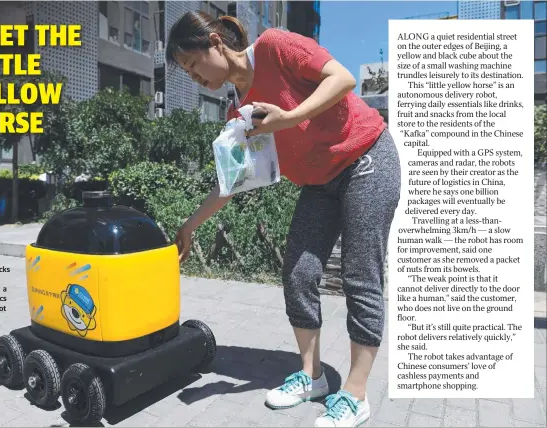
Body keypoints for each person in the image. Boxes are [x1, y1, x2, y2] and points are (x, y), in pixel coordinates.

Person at [167, 10, 401, 428]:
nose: (194, 78)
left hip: (366, 158)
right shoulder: (236, 113)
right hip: (319, 183)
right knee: (298, 272)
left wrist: (289, 118)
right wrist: (189, 225)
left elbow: (342, 79)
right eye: (186, 73)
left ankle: (356, 392)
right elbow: (230, 183)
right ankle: (312, 377)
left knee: (360, 274)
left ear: (216, 44)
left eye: (193, 65)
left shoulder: (275, 46)